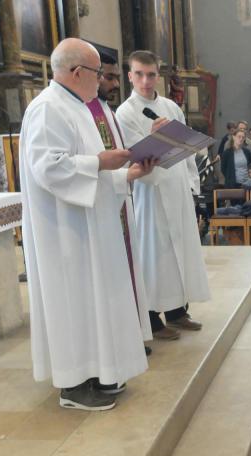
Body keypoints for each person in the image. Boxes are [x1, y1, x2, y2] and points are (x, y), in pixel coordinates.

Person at [19, 38, 157, 410]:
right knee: (74, 302)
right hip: (63, 232)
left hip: (88, 224)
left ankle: (97, 371)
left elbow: (92, 167)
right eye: (98, 73)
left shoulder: (76, 106)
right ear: (77, 72)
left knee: (94, 301)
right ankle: (73, 385)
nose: (102, 80)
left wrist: (126, 174)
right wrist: (99, 162)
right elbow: (48, 166)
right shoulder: (48, 109)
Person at [117, 50, 211, 340]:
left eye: (151, 74)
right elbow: (134, 155)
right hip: (151, 192)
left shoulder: (171, 106)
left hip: (178, 189)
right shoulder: (125, 112)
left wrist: (193, 187)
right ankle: (152, 318)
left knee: (179, 251)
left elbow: (186, 151)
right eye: (140, 74)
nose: (146, 81)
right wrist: (155, 134)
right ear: (130, 76)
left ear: (159, 75)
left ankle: (177, 311)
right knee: (153, 254)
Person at [87, 51, 154, 358]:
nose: (114, 83)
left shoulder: (103, 109)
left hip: (117, 197)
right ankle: (122, 340)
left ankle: (131, 337)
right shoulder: (78, 111)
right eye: (109, 76)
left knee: (127, 271)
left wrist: (129, 172)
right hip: (99, 205)